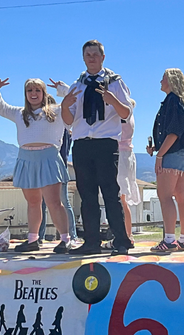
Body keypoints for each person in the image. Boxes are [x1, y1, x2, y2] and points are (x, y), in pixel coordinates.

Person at [61, 39, 133, 256]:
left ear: (103, 57)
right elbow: (68, 120)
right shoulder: (78, 85)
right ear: (83, 58)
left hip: (105, 142)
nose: (91, 58)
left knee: (111, 192)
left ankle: (121, 241)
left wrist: (113, 100)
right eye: (88, 55)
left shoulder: (114, 82)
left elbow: (126, 114)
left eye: (95, 54)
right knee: (87, 194)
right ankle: (91, 241)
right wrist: (64, 105)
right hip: (82, 143)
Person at [0, 78, 71, 254]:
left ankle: (66, 239)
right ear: (25, 95)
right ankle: (33, 240)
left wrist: (62, 88)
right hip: (26, 158)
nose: (33, 94)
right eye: (29, 91)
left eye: (37, 90)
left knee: (54, 202)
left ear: (44, 93)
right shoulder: (19, 113)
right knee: (33, 202)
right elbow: (0, 107)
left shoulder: (56, 111)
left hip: (49, 157)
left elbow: (73, 100)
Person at [146, 68, 184, 252]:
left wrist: (160, 155)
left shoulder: (172, 101)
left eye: (163, 78)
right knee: (182, 196)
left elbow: (173, 132)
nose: (160, 81)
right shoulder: (178, 102)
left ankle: (169, 239)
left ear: (171, 81)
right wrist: (157, 148)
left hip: (172, 153)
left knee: (165, 195)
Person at [38, 92, 77, 244]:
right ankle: (70, 235)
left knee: (52, 202)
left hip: (53, 165)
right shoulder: (65, 127)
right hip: (59, 165)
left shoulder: (57, 126)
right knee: (60, 202)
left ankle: (42, 236)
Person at [102, 98, 140, 250]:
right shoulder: (129, 118)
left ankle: (125, 236)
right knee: (122, 199)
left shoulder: (122, 118)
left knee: (120, 198)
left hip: (121, 155)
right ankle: (127, 235)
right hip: (127, 154)